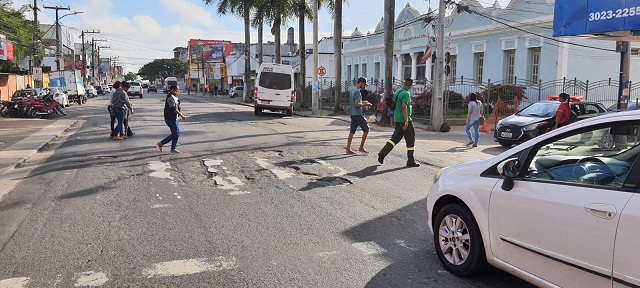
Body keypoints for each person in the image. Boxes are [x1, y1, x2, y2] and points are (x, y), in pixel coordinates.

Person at [378, 78, 420, 167]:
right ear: (411, 85)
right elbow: (404, 106)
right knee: (410, 141)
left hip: (397, 119)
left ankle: (382, 154)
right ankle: (410, 161)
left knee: (394, 139)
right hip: (404, 120)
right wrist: (406, 121)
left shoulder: (398, 91)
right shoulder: (406, 93)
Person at [156, 85, 186, 153]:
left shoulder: (175, 97)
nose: (177, 91)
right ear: (172, 90)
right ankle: (160, 144)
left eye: (178, 90)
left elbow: (178, 106)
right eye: (176, 90)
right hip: (170, 118)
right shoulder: (170, 97)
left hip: (174, 118)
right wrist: (181, 115)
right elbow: (173, 109)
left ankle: (173, 148)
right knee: (175, 133)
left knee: (177, 133)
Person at [346, 77, 372, 154]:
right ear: (361, 83)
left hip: (353, 114)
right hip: (358, 114)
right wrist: (366, 104)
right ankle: (361, 147)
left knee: (352, 131)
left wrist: (364, 102)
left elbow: (356, 102)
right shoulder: (357, 91)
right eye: (364, 84)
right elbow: (357, 104)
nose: (364, 86)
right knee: (366, 129)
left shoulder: (352, 89)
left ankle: (348, 149)